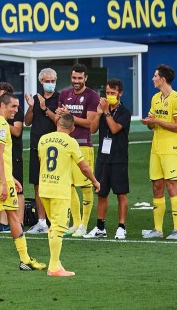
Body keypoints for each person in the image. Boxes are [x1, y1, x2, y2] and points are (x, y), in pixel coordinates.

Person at [0, 92, 45, 272]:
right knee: (14, 217)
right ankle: (24, 260)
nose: (16, 110)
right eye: (13, 106)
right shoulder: (3, 126)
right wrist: (6, 183)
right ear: (3, 105)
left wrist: (11, 177)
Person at [37, 114, 100, 277]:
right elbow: (84, 167)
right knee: (59, 228)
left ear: (57, 123)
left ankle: (56, 262)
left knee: (53, 227)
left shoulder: (43, 139)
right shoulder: (71, 142)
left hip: (44, 188)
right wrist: (94, 181)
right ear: (72, 128)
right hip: (60, 190)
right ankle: (53, 267)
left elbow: (41, 160)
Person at [141, 64, 177, 240]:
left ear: (163, 79)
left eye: (155, 76)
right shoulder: (155, 98)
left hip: (171, 149)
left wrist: (157, 121)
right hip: (156, 149)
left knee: (171, 186)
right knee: (156, 186)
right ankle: (158, 229)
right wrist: (149, 122)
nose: (152, 78)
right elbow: (153, 122)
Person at [56, 64, 99, 237]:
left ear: (86, 78)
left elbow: (90, 123)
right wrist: (60, 115)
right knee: (69, 185)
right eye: (74, 78)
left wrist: (69, 116)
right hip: (66, 145)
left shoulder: (92, 96)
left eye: (80, 78)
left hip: (83, 145)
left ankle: (84, 225)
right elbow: (59, 120)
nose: (76, 81)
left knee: (86, 186)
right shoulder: (64, 94)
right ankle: (75, 223)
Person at [85, 78, 131, 240]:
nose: (109, 95)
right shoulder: (102, 110)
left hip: (119, 159)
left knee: (121, 194)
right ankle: (100, 227)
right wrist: (98, 114)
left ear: (120, 93)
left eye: (112, 93)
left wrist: (106, 112)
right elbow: (92, 130)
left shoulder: (125, 112)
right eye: (107, 93)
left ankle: (121, 227)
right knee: (101, 193)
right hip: (103, 159)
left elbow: (114, 128)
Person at [24, 68, 60, 234]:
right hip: (36, 147)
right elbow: (27, 122)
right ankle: (41, 222)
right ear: (41, 82)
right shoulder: (36, 99)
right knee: (38, 185)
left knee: (53, 184)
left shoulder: (60, 98)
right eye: (47, 81)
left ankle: (55, 220)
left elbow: (60, 121)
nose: (50, 84)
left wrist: (45, 109)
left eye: (53, 81)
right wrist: (31, 107)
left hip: (54, 149)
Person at [0, 82, 24, 231]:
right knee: (2, 189)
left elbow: (17, 131)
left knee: (18, 189)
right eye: (0, 95)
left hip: (13, 154)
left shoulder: (17, 110)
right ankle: (3, 223)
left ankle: (19, 222)